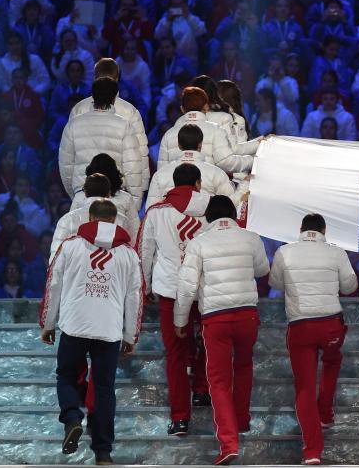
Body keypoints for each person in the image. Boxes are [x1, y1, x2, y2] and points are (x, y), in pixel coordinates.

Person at [39, 200, 143, 466]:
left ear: (90, 217)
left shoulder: (71, 246)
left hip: (74, 325)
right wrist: (131, 335)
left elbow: (54, 286)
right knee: (105, 389)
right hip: (108, 329)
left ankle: (72, 418)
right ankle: (103, 452)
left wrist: (48, 323)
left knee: (66, 376)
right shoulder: (129, 254)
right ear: (114, 221)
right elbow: (135, 298)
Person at [174, 195, 269, 466]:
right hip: (247, 315)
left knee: (218, 381)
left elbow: (187, 287)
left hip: (216, 318)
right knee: (244, 366)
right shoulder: (251, 238)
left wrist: (181, 321)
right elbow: (262, 269)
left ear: (208, 217)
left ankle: (229, 443)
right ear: (232, 214)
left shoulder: (199, 242)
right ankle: (241, 420)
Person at [268, 213, 358, 465]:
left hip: (300, 326)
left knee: (304, 387)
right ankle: (326, 413)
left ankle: (312, 451)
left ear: (300, 229)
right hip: (331, 325)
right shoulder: (336, 252)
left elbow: (275, 283)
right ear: (324, 230)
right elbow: (350, 287)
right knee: (332, 361)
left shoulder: (284, 252)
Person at [137, 163, 211, 437]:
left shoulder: (157, 212)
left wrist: (144, 287)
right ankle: (202, 389)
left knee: (176, 355)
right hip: (205, 288)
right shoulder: (213, 207)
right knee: (207, 342)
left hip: (170, 289)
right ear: (199, 184)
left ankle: (180, 418)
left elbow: (145, 250)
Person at [69, 59, 149, 204]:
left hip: (86, 191)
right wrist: (136, 200)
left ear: (94, 77)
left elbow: (67, 161)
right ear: (117, 78)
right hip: (117, 192)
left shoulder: (78, 110)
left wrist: (74, 193)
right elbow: (139, 157)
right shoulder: (130, 111)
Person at [145, 125, 235, 209]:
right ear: (200, 145)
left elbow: (151, 210)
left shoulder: (160, 174)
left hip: (168, 224)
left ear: (179, 145)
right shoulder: (217, 173)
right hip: (206, 225)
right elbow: (229, 206)